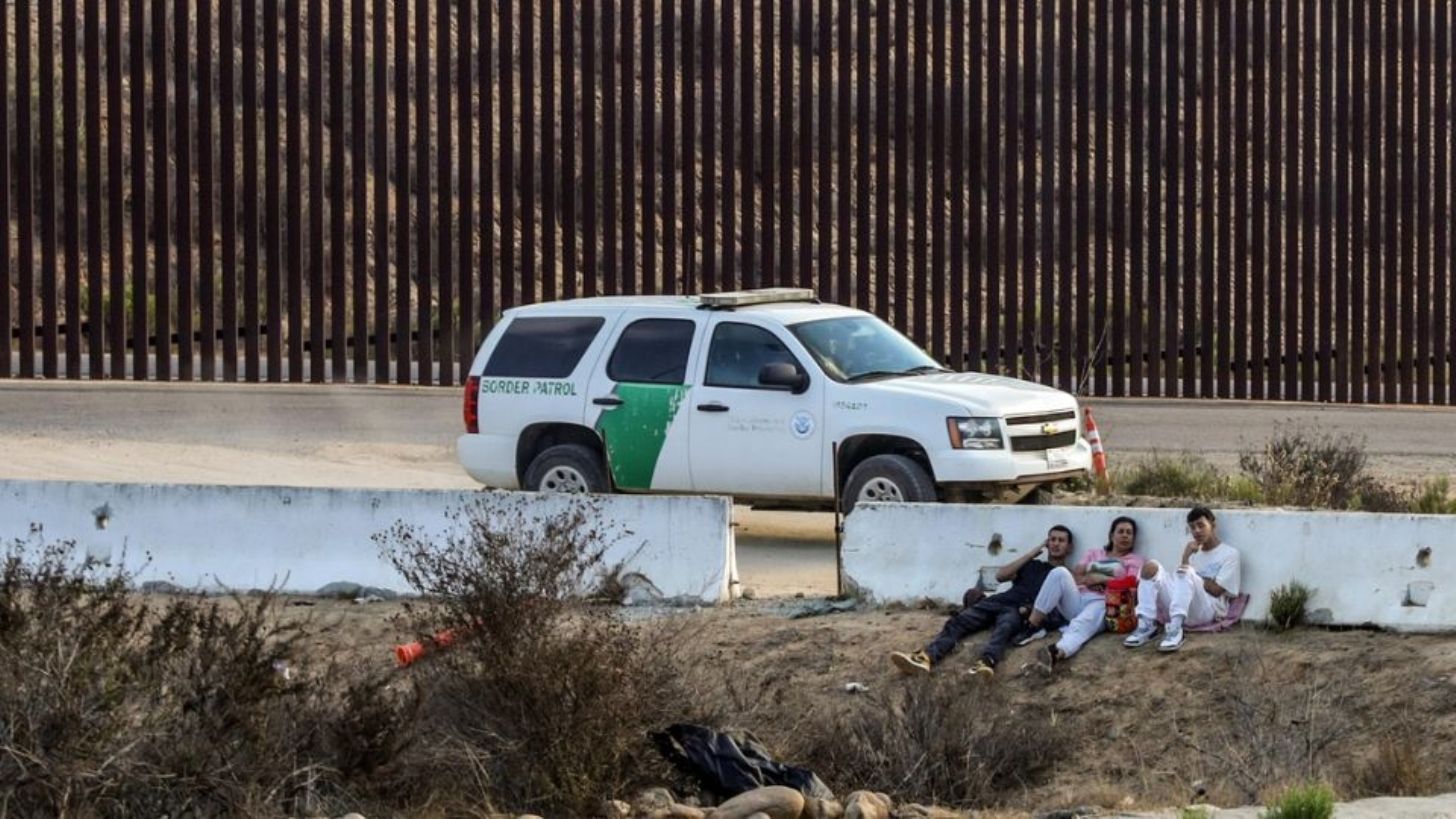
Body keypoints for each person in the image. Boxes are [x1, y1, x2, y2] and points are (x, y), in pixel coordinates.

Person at [889, 525, 1074, 679]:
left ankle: (986, 663)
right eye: (1052, 539)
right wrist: (1031, 554)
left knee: (1005, 628)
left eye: (1061, 540)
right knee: (960, 621)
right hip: (1000, 600)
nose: (1055, 544)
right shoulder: (1033, 565)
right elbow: (1001, 576)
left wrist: (1028, 611)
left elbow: (1058, 611)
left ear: (1069, 547)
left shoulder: (1065, 578)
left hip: (1018, 610)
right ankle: (926, 657)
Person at [1012, 516, 1144, 670]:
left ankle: (1057, 652)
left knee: (1083, 621)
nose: (1125, 536)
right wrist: (1091, 579)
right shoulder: (1094, 553)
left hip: (1104, 603)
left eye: (1129, 533)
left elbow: (1130, 586)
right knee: (1060, 572)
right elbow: (1075, 576)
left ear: (1133, 538)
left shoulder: (1135, 560)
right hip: (1077, 599)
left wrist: (1100, 579)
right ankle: (1032, 625)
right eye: (1120, 531)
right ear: (1111, 535)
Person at [1124, 505, 1241, 652]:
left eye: (1201, 525)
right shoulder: (1193, 552)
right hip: (1182, 610)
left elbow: (1216, 590)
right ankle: (1146, 625)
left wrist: (1193, 575)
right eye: (1192, 527)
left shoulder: (1230, 554)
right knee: (1150, 567)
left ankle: (1175, 630)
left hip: (1208, 610)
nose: (1196, 531)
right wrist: (1186, 557)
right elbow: (1182, 584)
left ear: (1213, 525)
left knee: (1186, 571)